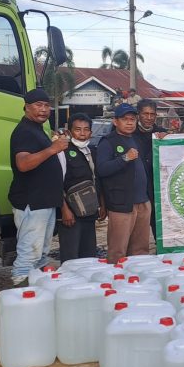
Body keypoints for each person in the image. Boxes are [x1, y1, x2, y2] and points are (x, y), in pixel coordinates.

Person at [9, 89, 68, 287]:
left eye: (46, 105)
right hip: (32, 202)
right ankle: (21, 296)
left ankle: (37, 296)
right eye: (38, 105)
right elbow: (23, 164)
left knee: (40, 255)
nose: (43, 110)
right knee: (28, 256)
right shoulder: (25, 131)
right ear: (26, 107)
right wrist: (53, 148)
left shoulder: (37, 130)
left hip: (44, 201)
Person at [96, 104, 151, 263]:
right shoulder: (108, 141)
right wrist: (124, 158)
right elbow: (101, 169)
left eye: (132, 119)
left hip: (142, 202)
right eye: (125, 119)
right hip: (122, 204)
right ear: (115, 121)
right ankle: (116, 281)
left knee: (141, 249)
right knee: (118, 251)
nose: (129, 123)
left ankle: (137, 281)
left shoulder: (135, 139)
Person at [58, 113, 105, 263]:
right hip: (71, 215)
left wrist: (102, 205)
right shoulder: (62, 152)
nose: (82, 133)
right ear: (70, 131)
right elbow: (57, 183)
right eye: (78, 130)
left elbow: (97, 180)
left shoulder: (93, 151)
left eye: (86, 130)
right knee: (71, 257)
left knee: (89, 255)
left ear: (91, 132)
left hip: (89, 213)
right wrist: (64, 210)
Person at [132, 99, 168, 240]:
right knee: (137, 232)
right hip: (137, 189)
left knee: (158, 226)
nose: (148, 118)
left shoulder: (162, 133)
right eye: (145, 114)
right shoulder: (130, 132)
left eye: (152, 114)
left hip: (157, 189)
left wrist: (168, 139)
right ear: (138, 115)